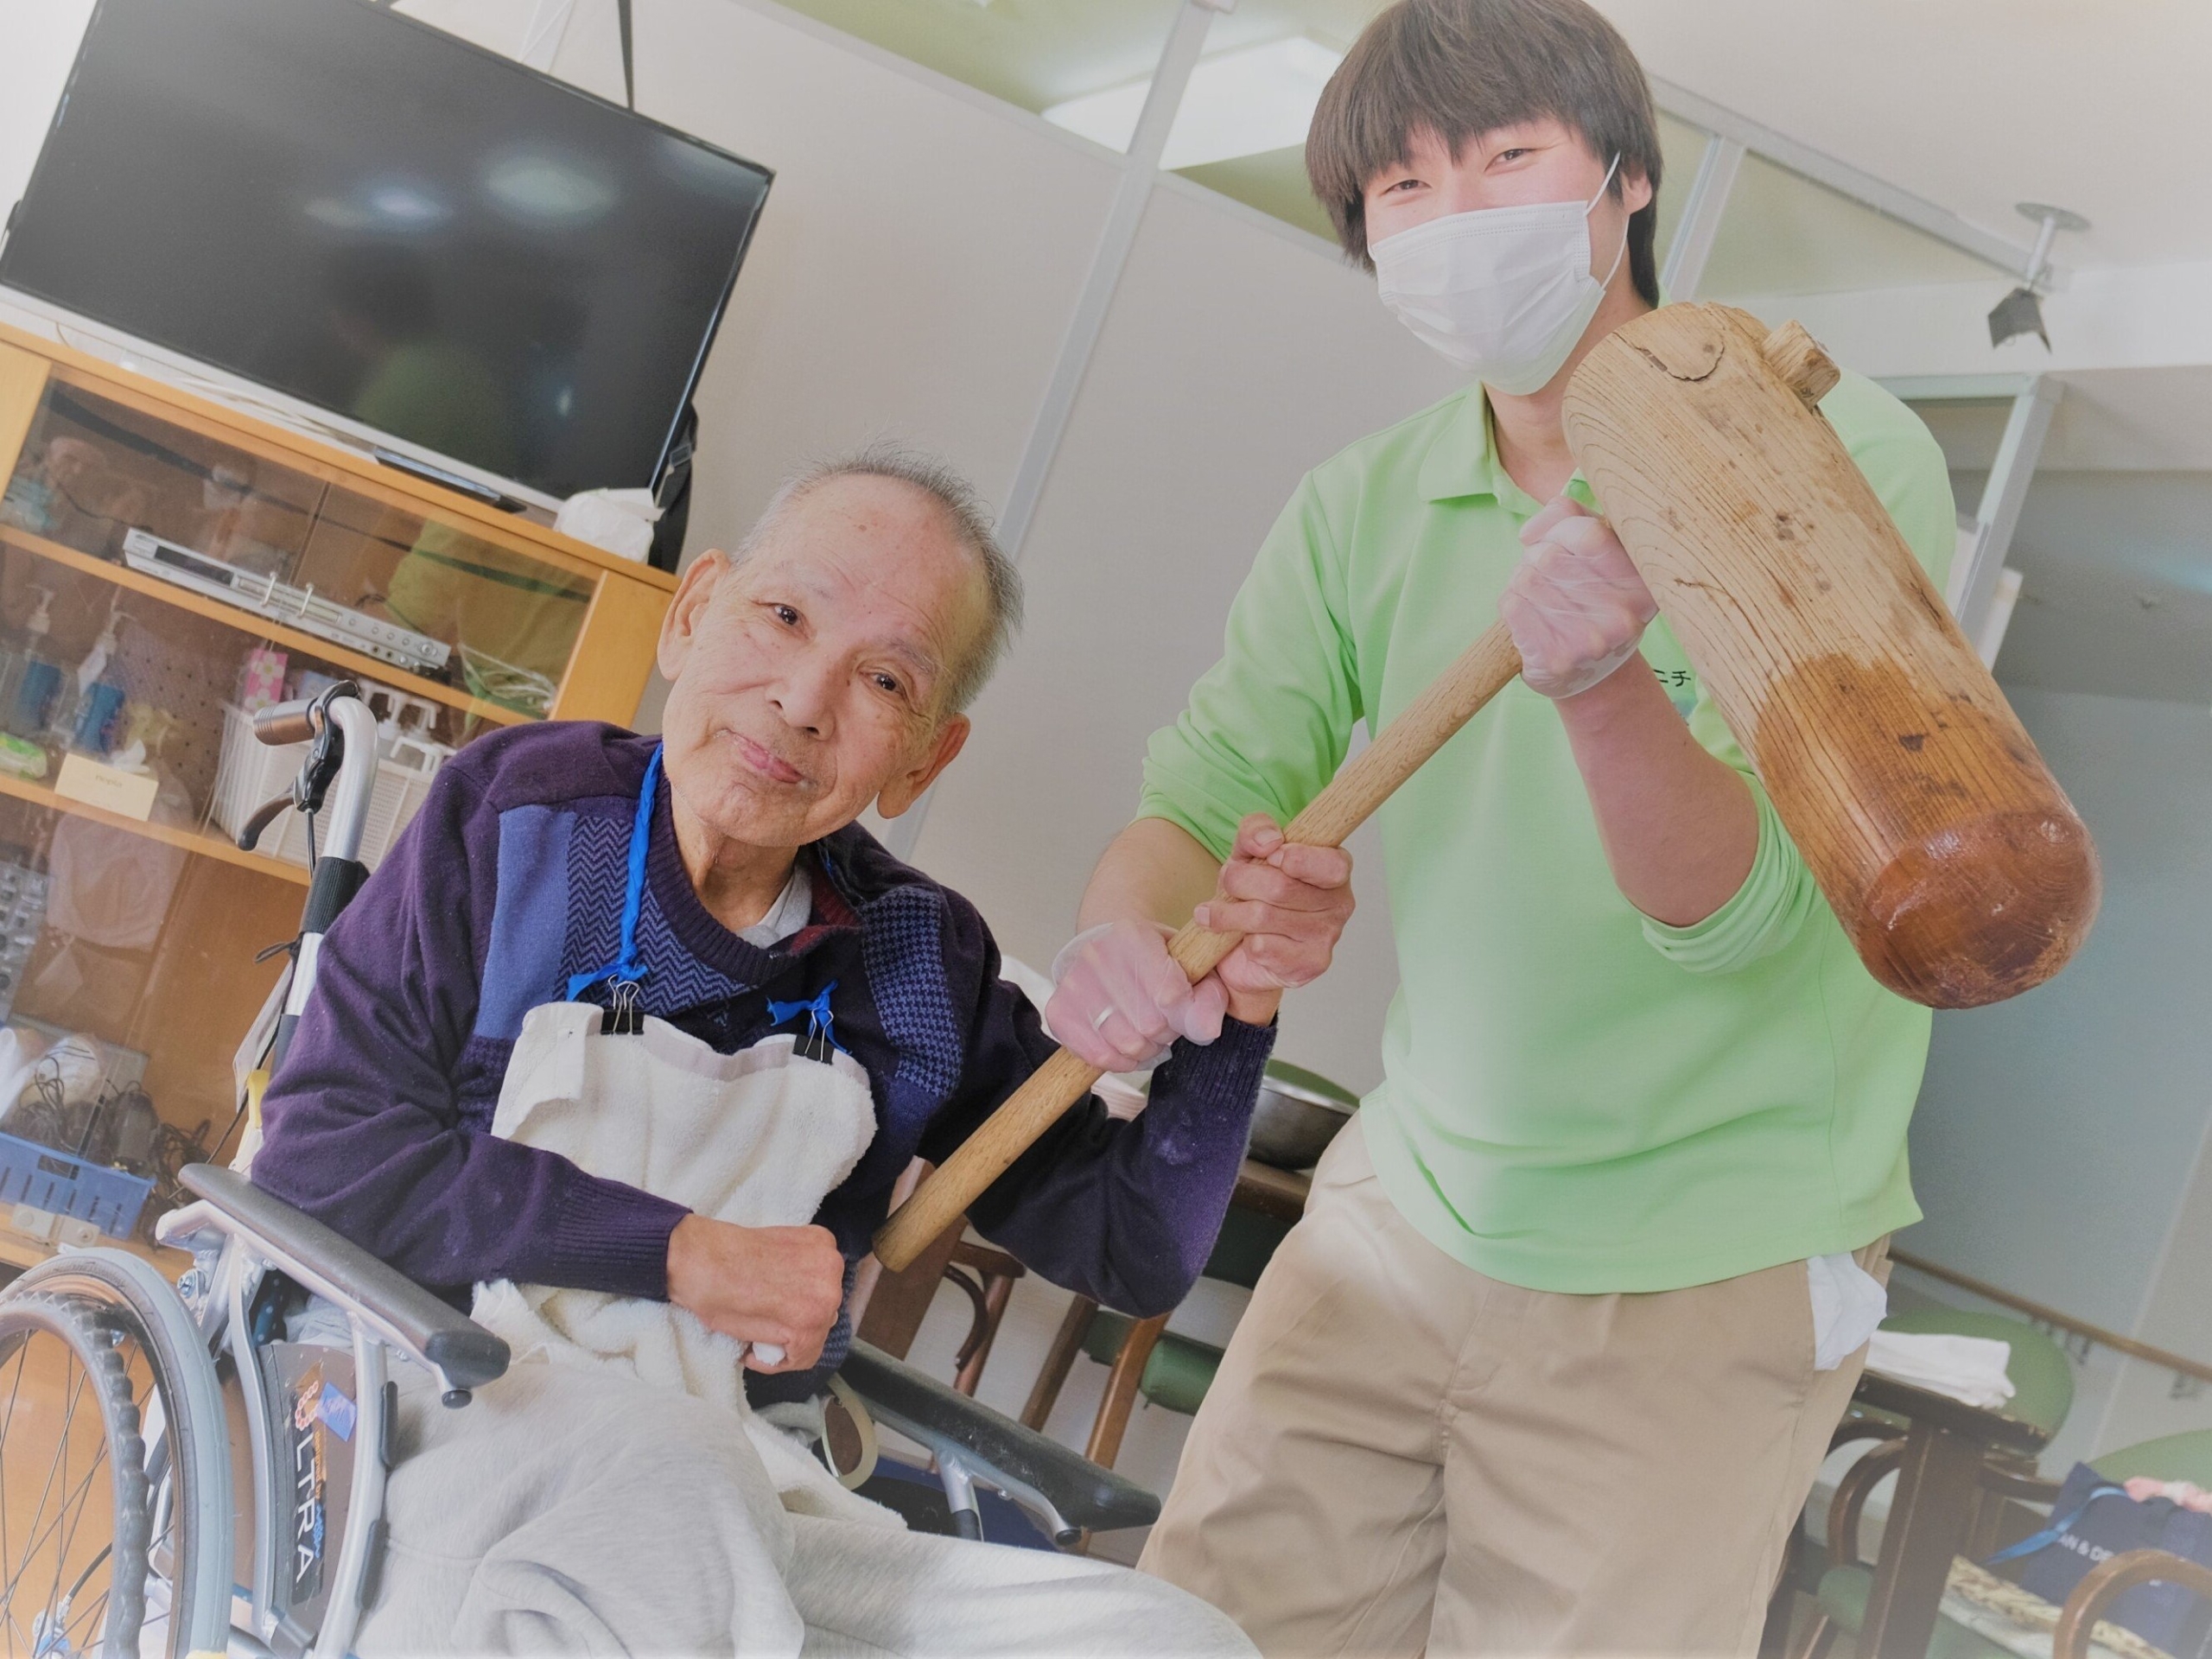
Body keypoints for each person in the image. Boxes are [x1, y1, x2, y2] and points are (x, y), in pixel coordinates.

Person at [1045, 2, 1958, 1652]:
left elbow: (1744, 913)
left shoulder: (1828, 449)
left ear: (1623, 180)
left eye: (1507, 159)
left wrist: (1603, 686)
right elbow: (1196, 805)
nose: (1455, 220)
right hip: (1415, 1201)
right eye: (1401, 188)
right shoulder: (1364, 507)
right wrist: (1127, 932)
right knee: (1196, 1632)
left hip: (1702, 1259)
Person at [251, 443, 1277, 1656]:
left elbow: (1134, 1242)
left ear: (924, 758)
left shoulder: (915, 960)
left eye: (885, 681)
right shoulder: (519, 821)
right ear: (693, 615)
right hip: (431, 1425)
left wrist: (1240, 1007)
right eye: (784, 617)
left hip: (752, 1488)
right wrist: (680, 1255)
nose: (802, 699)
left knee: (1170, 1641)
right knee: (676, 1483)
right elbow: (320, 1160)